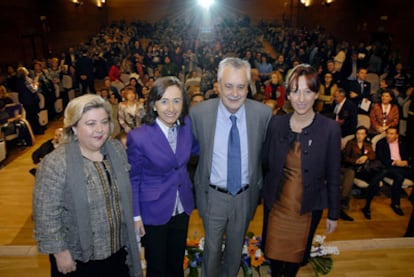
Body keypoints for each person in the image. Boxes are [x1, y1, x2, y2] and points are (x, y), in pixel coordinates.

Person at [33, 94, 142, 277]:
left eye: (104, 122)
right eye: (90, 124)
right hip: (78, 258)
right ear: (74, 127)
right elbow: (45, 215)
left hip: (117, 250)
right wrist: (60, 252)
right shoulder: (56, 163)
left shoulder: (116, 150)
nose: (100, 129)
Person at [189, 57, 272, 277]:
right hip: (214, 195)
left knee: (236, 249)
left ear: (248, 87)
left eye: (241, 87)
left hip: (245, 195)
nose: (234, 93)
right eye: (228, 86)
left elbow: (266, 152)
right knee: (212, 249)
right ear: (218, 86)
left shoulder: (263, 114)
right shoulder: (199, 114)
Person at [262, 64, 341, 276]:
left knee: (293, 264)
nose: (301, 98)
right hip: (277, 208)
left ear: (316, 94)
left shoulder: (330, 129)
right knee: (274, 261)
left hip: (307, 210)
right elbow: (264, 166)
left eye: (308, 91)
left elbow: (334, 175)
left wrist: (333, 213)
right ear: (288, 93)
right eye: (295, 91)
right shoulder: (276, 124)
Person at [127, 76, 198, 277]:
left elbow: (196, 150)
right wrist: (136, 215)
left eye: (177, 101)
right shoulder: (139, 136)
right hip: (153, 210)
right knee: (157, 268)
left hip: (182, 206)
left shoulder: (186, 126)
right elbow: (134, 179)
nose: (171, 108)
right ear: (154, 105)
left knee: (176, 264)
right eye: (164, 101)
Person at [367, 127, 414, 216]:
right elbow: (381, 159)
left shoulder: (404, 142)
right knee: (399, 177)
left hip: (404, 166)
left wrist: (406, 162)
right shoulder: (381, 143)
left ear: (397, 135)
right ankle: (395, 204)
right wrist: (394, 163)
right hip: (390, 166)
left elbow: (410, 155)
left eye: (392, 134)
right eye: (388, 133)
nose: (389, 135)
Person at [342, 126, 385, 220]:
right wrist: (355, 161)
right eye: (358, 133)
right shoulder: (351, 143)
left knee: (376, 182)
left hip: (364, 169)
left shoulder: (368, 144)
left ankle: (367, 207)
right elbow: (345, 158)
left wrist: (366, 157)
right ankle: (343, 207)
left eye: (362, 134)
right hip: (353, 168)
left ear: (365, 135)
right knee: (375, 181)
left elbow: (373, 155)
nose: (359, 136)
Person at [16, 66, 43, 135]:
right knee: (33, 116)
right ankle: (37, 130)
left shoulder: (19, 80)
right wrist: (36, 85)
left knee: (30, 116)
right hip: (30, 100)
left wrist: (35, 80)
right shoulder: (25, 80)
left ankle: (34, 130)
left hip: (25, 100)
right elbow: (33, 90)